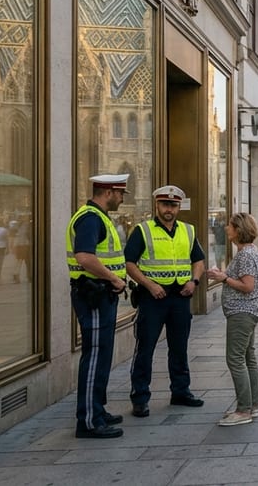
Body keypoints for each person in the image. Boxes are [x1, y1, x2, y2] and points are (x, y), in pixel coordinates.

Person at [124, 185, 206, 418]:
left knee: (179, 348)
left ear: (179, 207)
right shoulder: (143, 230)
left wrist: (194, 281)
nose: (169, 209)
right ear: (156, 206)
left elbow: (198, 260)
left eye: (173, 205)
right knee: (145, 348)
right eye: (165, 205)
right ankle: (140, 397)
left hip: (180, 297)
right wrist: (150, 285)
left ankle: (180, 391)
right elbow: (129, 263)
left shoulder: (187, 231)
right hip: (152, 298)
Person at [66, 174, 130, 438]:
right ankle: (89, 420)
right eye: (120, 193)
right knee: (94, 356)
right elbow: (84, 257)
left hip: (103, 295)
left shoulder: (99, 217)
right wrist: (114, 278)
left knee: (102, 354)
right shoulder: (90, 218)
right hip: (93, 295)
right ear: (108, 192)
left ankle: (97, 409)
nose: (122, 199)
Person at [206, 212, 258, 426]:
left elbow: (248, 287)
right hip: (247, 311)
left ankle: (243, 410)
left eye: (229, 226)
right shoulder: (249, 252)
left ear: (239, 230)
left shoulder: (245, 255)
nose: (226, 229)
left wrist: (224, 278)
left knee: (235, 359)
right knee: (248, 357)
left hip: (243, 312)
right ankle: (252, 404)